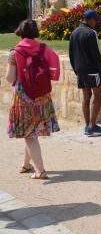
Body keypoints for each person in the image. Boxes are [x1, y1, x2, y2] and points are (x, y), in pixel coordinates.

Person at [5, 20, 60, 180]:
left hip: (24, 97)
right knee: (31, 132)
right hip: (41, 96)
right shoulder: (43, 48)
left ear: (20, 31)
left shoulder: (15, 52)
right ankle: (26, 164)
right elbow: (54, 64)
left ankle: (41, 171)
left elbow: (10, 78)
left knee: (29, 134)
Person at [69, 9, 101, 137]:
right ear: (91, 20)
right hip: (92, 70)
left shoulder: (74, 32)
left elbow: (71, 54)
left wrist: (76, 70)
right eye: (95, 20)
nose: (96, 23)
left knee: (86, 97)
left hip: (80, 70)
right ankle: (92, 126)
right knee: (98, 95)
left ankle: (87, 125)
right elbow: (96, 55)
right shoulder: (91, 33)